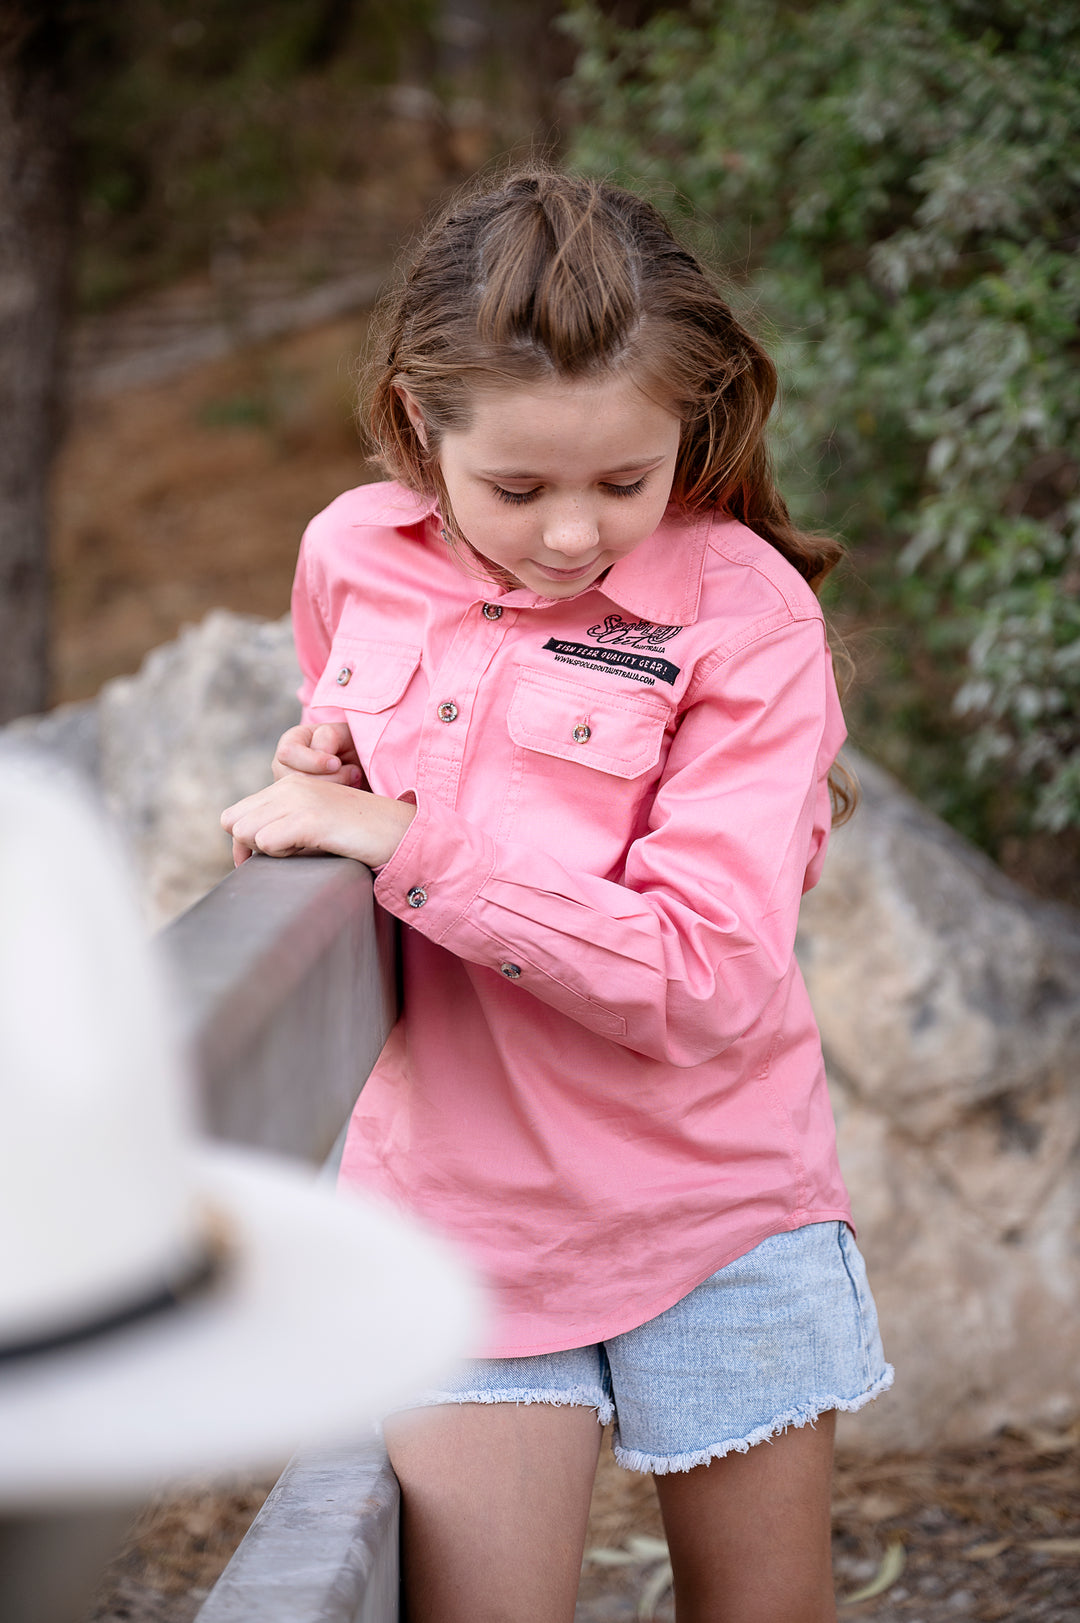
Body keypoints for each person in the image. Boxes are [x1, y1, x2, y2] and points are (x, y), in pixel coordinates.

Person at [221, 168, 893, 1623]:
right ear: (416, 421)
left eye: (625, 481)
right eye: (519, 488)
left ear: (688, 430)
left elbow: (707, 973)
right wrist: (318, 780)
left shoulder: (747, 613)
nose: (576, 534)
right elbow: (349, 764)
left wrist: (395, 832)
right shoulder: (350, 554)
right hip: (454, 1219)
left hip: (718, 1209)